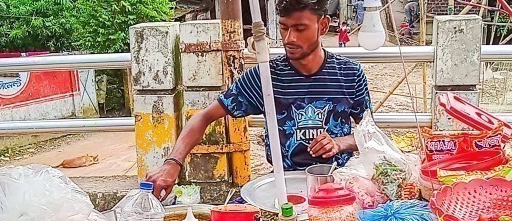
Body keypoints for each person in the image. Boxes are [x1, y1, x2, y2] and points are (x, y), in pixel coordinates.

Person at [146, 0, 372, 200]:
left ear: (323, 26)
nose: (289, 38)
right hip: (283, 188)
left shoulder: (349, 74)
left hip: (339, 186)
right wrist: (172, 163)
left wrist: (340, 143)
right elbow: (204, 117)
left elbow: (370, 134)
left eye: (300, 28)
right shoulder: (265, 77)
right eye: (284, 28)